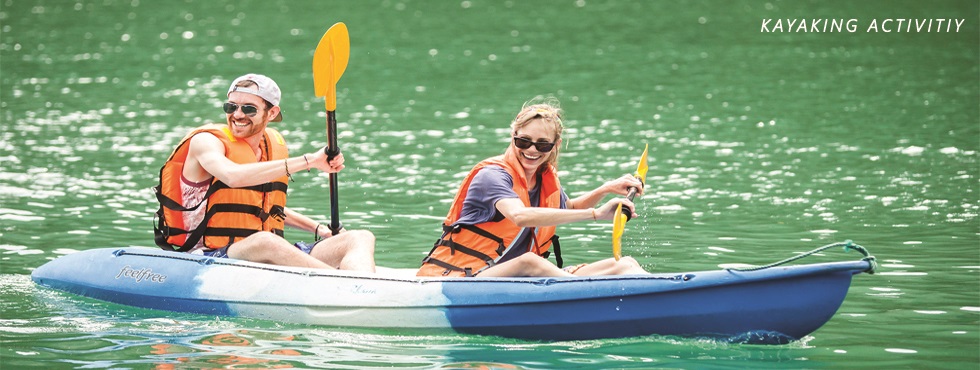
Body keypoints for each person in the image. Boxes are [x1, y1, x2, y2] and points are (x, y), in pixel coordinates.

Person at [153, 73, 376, 272]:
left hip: (263, 253)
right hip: (209, 257)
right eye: (231, 107)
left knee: (359, 238)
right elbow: (233, 176)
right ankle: (343, 284)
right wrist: (310, 161)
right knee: (266, 241)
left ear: (272, 113)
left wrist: (319, 229)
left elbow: (264, 207)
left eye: (249, 109)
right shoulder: (206, 142)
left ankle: (367, 291)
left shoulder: (271, 146)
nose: (237, 115)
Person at [417, 98, 649, 277]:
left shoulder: (543, 178)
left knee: (624, 264)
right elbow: (520, 216)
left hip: (514, 278)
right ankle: (584, 294)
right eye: (524, 141)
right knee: (531, 261)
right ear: (513, 135)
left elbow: (568, 208)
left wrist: (605, 189)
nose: (532, 150)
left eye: (542, 144)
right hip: (462, 277)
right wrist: (596, 215)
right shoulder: (492, 176)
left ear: (555, 145)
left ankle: (660, 294)